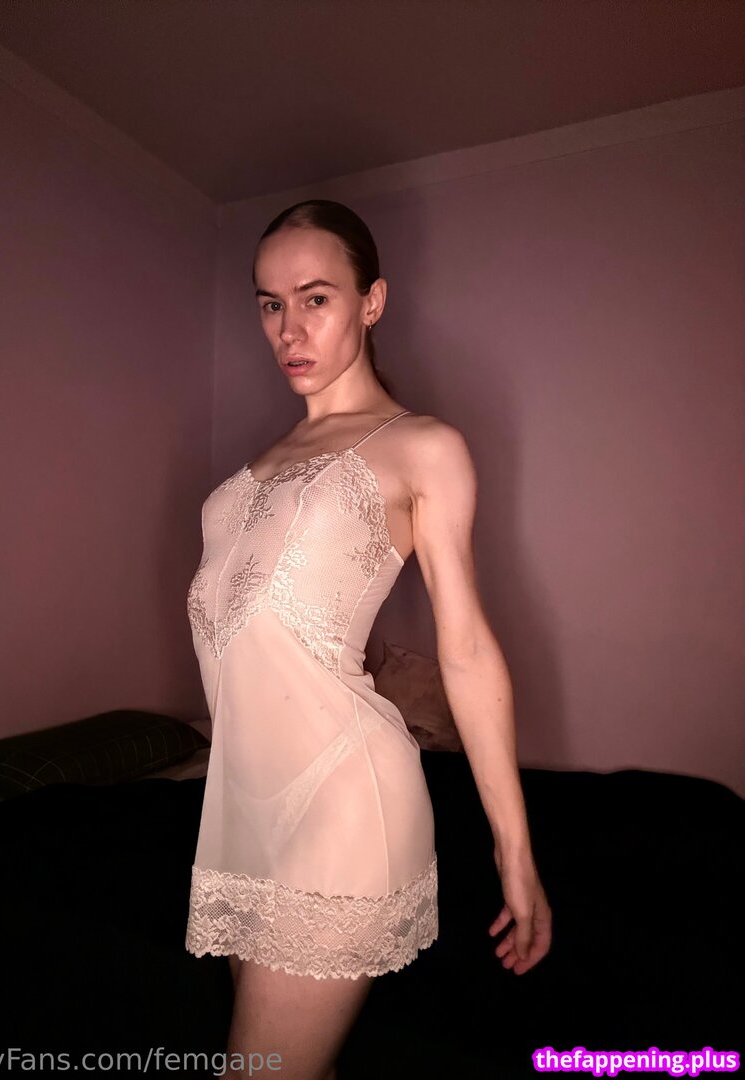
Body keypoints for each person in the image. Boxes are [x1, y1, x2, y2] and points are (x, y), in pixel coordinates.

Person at [184, 199, 552, 1080]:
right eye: (271, 304)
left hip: (342, 803)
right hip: (240, 810)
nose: (289, 329)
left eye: (316, 298)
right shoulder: (257, 466)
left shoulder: (421, 446)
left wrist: (515, 850)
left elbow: (466, 650)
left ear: (372, 302)